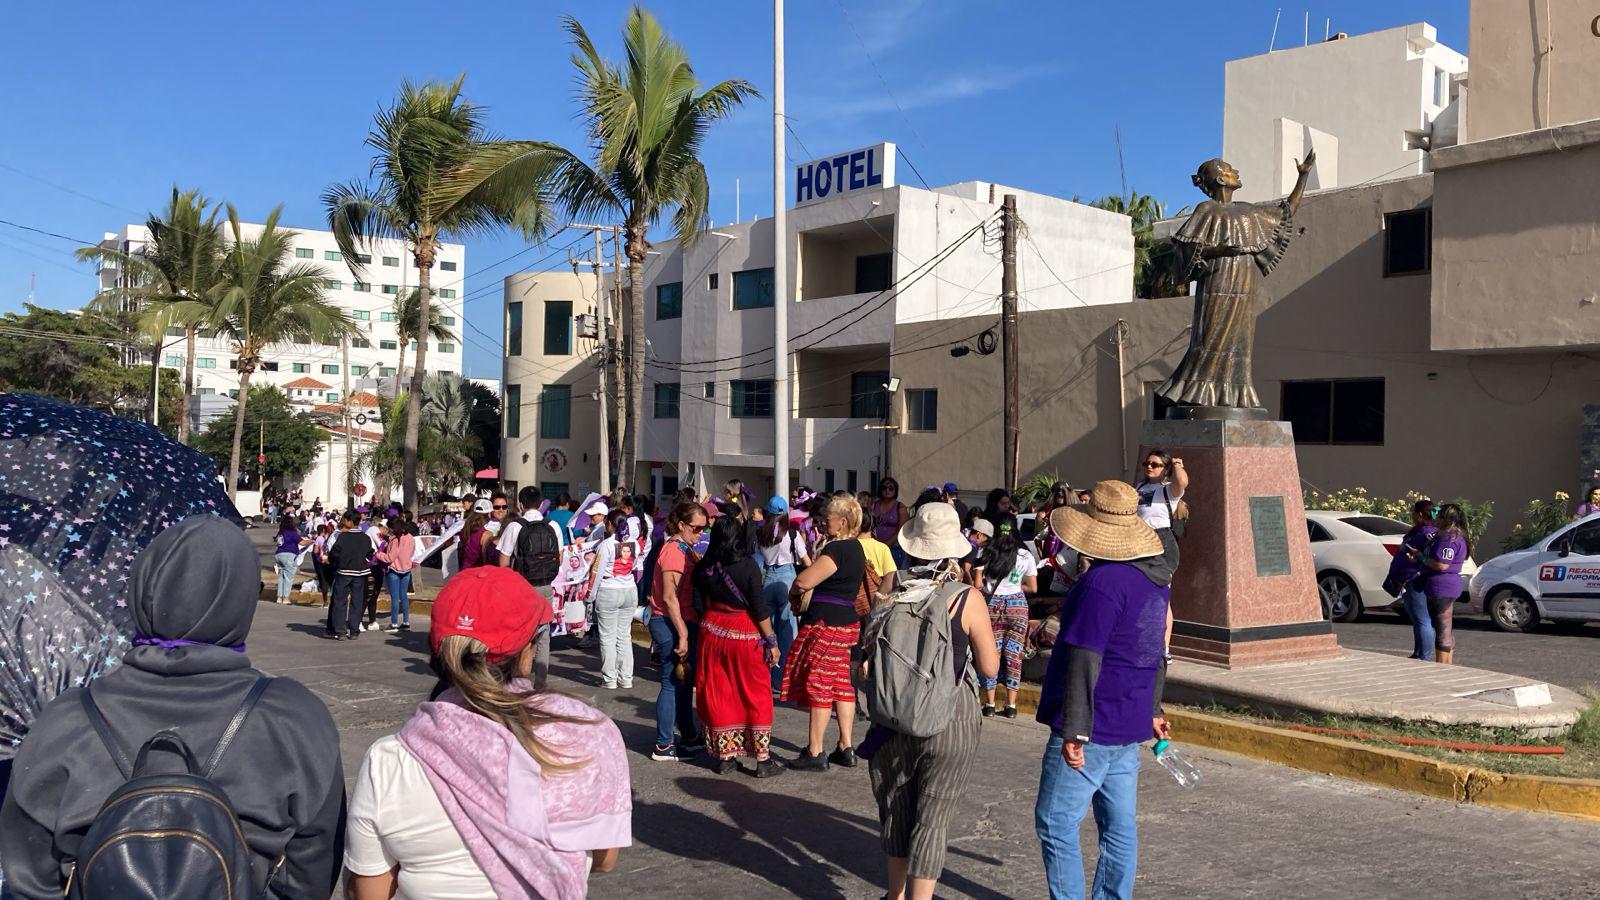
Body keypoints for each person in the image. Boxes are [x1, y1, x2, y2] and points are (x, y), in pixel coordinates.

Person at [0, 515, 345, 898]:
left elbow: (30, 874)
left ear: (142, 589)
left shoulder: (67, 717)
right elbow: (312, 869)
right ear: (242, 598)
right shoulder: (295, 716)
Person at [343, 567, 629, 899]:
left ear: (437, 649)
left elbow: (369, 893)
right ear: (528, 651)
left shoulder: (389, 760)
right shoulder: (584, 736)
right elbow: (605, 860)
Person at [1034, 481, 1173, 900]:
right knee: (1118, 829)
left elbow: (1084, 657)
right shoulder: (1155, 582)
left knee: (1056, 821)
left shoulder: (1102, 584)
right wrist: (1152, 708)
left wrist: (1074, 729)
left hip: (1092, 723)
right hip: (1128, 723)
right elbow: (1156, 651)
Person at [864, 501, 999, 900]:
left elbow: (868, 650)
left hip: (892, 715)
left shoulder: (890, 586)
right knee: (933, 818)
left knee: (897, 809)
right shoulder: (965, 598)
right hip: (950, 718)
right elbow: (990, 668)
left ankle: (895, 895)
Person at [691, 516, 784, 777]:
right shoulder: (748, 567)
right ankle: (762, 760)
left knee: (720, 692)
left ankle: (726, 756)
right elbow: (759, 607)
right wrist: (772, 641)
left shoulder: (703, 568)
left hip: (712, 633)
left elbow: (699, 607)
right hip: (745, 635)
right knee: (755, 692)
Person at [782, 493, 869, 772]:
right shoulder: (857, 548)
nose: (823, 523)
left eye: (828, 519)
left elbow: (804, 579)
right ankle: (845, 745)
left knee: (820, 683)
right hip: (847, 622)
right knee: (842, 685)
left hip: (827, 624)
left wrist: (795, 592)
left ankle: (815, 750)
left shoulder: (838, 549)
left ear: (843, 522)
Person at [650, 501, 708, 761]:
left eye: (704, 529)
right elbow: (669, 597)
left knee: (684, 682)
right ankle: (664, 743)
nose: (700, 534)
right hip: (669, 622)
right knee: (671, 682)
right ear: (682, 525)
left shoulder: (684, 549)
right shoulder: (673, 551)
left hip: (683, 620)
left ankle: (687, 734)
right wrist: (683, 633)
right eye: (696, 529)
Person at [978, 529, 1037, 718]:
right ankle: (1011, 706)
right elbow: (1033, 587)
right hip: (1017, 606)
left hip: (992, 606)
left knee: (991, 654)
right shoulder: (1025, 555)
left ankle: (989, 704)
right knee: (1014, 655)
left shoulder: (985, 552)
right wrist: (1015, 586)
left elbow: (978, 585)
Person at [1136, 448, 1188, 647]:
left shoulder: (1169, 488)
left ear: (1165, 468)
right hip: (1140, 541)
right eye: (1147, 464)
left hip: (1162, 542)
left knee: (1161, 595)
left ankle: (1164, 645)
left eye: (1155, 464)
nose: (1149, 467)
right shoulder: (1140, 485)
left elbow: (1182, 482)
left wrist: (1177, 466)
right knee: (1141, 592)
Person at [758, 497, 810, 693]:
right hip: (787, 578)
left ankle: (767, 678)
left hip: (768, 578)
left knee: (768, 631)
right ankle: (782, 682)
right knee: (787, 631)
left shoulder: (760, 533)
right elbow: (806, 561)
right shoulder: (792, 534)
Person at [589, 509, 642, 690]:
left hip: (609, 591)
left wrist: (590, 595)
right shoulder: (635, 543)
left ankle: (609, 679)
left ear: (610, 524)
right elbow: (634, 566)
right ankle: (626, 678)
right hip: (629, 590)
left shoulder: (606, 545)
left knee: (608, 637)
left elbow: (597, 572)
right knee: (624, 636)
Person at [1418, 503, 1470, 665]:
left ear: (1446, 518)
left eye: (1439, 515)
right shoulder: (1458, 536)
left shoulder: (1448, 538)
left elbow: (1442, 565)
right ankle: (1448, 665)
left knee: (1442, 630)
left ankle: (1442, 668)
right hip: (1449, 585)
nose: (1436, 518)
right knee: (1445, 628)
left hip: (1441, 586)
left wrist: (1421, 558)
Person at [329, 510, 374, 641]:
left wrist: (337, 564)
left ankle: (341, 630)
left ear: (349, 521)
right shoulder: (365, 538)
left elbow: (334, 554)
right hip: (360, 573)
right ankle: (354, 630)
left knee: (340, 601)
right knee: (357, 601)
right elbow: (370, 554)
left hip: (344, 572)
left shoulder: (343, 537)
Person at [377, 515, 418, 631]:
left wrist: (377, 554)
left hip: (394, 570)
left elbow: (390, 557)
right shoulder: (410, 537)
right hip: (406, 570)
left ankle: (394, 623)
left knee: (395, 598)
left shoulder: (395, 540)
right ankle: (406, 622)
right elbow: (412, 552)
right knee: (403, 596)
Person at [870, 478, 910, 565]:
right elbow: (869, 526)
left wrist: (887, 544)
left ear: (895, 490)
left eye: (891, 488)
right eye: (884, 488)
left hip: (894, 548)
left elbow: (902, 530)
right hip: (875, 547)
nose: (887, 490)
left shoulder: (900, 507)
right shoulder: (874, 505)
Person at [458, 500, 500, 570]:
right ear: (489, 513)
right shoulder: (487, 534)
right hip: (477, 572)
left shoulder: (465, 529)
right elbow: (486, 558)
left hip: (464, 570)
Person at [273, 515, 306, 604]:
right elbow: (302, 542)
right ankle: (286, 597)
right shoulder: (292, 532)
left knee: (281, 577)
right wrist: (311, 541)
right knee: (288, 578)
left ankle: (279, 597)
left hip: (279, 554)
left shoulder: (281, 532)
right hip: (289, 555)